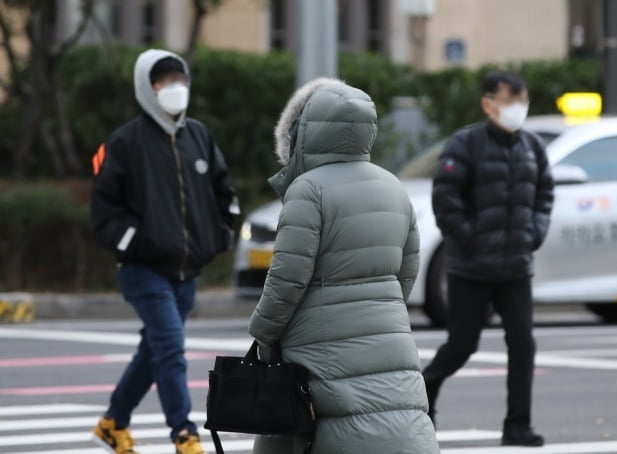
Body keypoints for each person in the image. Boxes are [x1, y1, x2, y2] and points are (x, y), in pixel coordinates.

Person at [247, 78, 440, 454]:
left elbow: (287, 281)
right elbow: (407, 271)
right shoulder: (393, 187)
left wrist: (263, 335)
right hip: (389, 338)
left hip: (318, 348)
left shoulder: (308, 190)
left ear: (305, 132)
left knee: (306, 431)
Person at [90, 49, 237, 454]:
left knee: (153, 351)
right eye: (163, 81)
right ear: (146, 88)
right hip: (143, 270)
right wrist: (136, 243)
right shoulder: (125, 143)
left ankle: (112, 422)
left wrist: (222, 234)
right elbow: (105, 213)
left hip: (187, 269)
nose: (174, 88)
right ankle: (184, 435)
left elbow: (224, 192)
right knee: (170, 348)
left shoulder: (198, 136)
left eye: (179, 79)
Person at [422, 71, 554, 447]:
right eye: (511, 99)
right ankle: (424, 394)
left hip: (516, 267)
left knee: (523, 344)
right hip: (471, 268)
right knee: (461, 346)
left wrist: (535, 231)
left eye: (522, 100)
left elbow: (545, 192)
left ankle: (518, 424)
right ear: (488, 103)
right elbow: (445, 201)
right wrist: (469, 238)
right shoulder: (465, 144)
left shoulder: (531, 146)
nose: (518, 108)